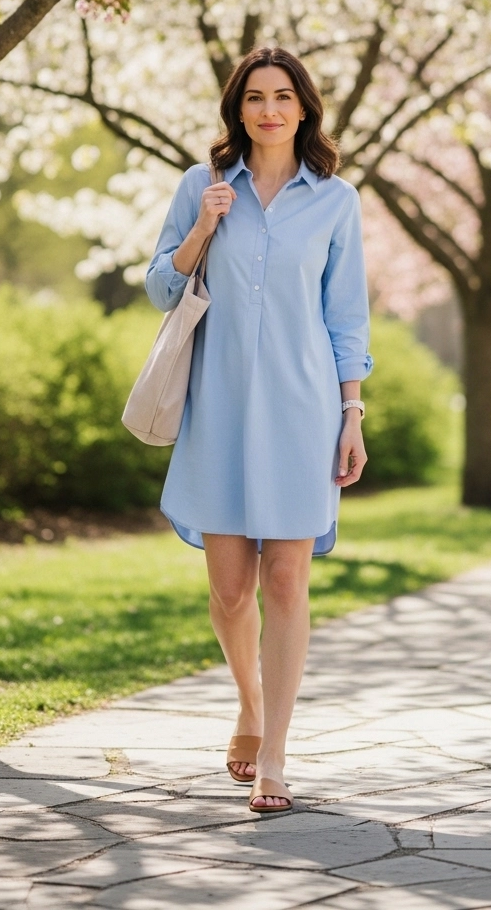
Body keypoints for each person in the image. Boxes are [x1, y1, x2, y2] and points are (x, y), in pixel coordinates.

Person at [145, 46, 372, 813]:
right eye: (255, 97)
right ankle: (248, 700)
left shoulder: (337, 201)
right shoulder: (201, 187)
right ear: (237, 109)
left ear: (304, 108)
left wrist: (353, 415)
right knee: (231, 589)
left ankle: (274, 754)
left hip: (305, 410)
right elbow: (158, 286)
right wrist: (201, 231)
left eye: (283, 96)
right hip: (219, 407)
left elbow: (346, 317)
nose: (269, 109)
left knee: (286, 579)